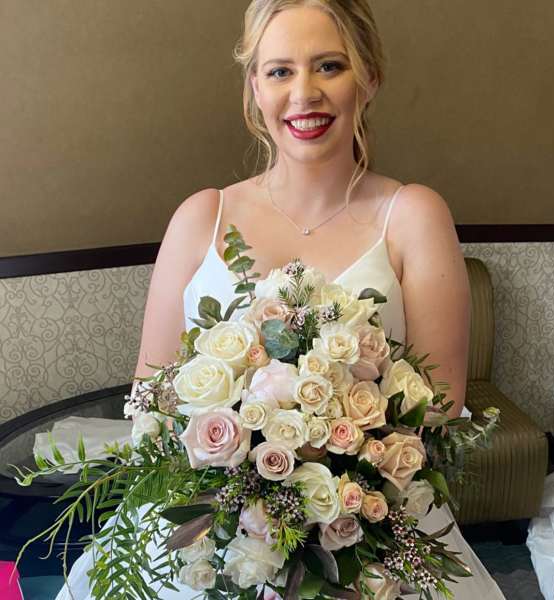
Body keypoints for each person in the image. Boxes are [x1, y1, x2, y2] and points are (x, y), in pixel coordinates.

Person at [57, 1, 506, 597]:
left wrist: (329, 471)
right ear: (254, 87)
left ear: (369, 78)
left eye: (329, 66)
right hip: (210, 529)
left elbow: (440, 408)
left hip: (365, 531)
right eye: (280, 71)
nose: (304, 93)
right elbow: (150, 392)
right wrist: (235, 484)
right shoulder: (200, 217)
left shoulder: (414, 215)